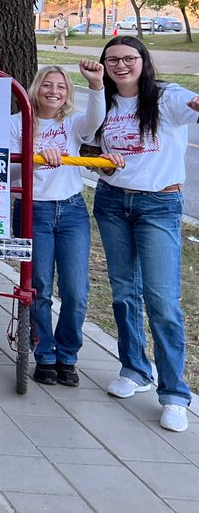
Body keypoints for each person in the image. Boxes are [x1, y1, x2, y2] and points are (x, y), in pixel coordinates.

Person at [92, 36, 199, 432]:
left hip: (159, 205)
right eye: (112, 60)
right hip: (112, 202)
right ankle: (135, 369)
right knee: (124, 292)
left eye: (128, 58)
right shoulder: (103, 101)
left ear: (143, 60)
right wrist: (102, 163)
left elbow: (193, 106)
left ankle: (174, 394)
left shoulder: (167, 97)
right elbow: (92, 149)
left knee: (162, 300)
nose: (120, 65)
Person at [10, 62, 109, 387]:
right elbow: (7, 173)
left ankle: (68, 355)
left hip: (71, 211)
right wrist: (36, 159)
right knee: (39, 287)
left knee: (76, 290)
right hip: (33, 210)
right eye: (48, 85)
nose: (54, 91)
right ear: (36, 88)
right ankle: (45, 354)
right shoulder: (17, 123)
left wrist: (96, 85)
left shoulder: (72, 123)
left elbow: (95, 121)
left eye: (61, 86)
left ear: (67, 93)